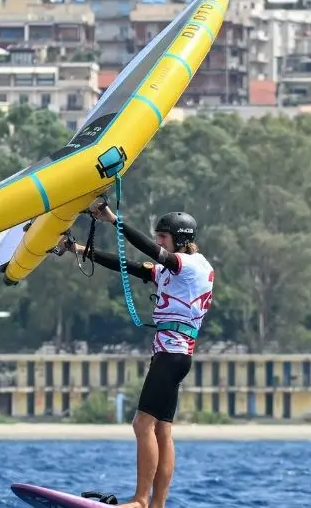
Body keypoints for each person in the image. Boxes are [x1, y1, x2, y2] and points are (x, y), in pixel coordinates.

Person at [59, 201, 213, 508]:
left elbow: (147, 249)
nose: (158, 241)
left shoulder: (191, 264)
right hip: (174, 356)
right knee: (162, 429)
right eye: (158, 236)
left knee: (142, 425)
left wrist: (113, 220)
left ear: (180, 240)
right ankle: (157, 505)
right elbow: (127, 265)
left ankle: (142, 501)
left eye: (164, 237)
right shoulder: (176, 269)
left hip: (172, 355)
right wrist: (78, 249)